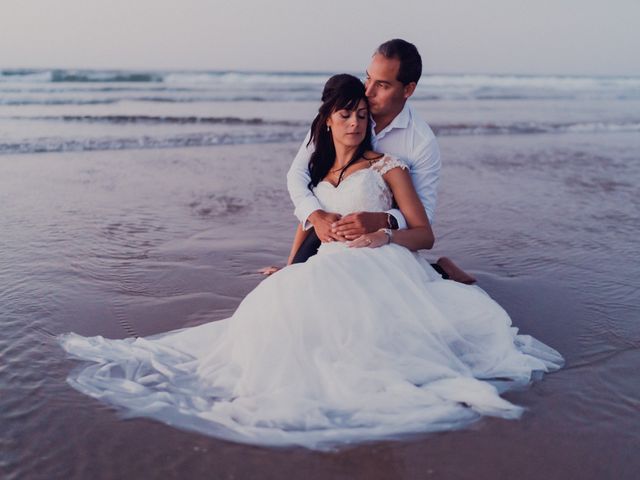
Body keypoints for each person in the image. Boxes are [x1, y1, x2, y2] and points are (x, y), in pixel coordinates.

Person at [60, 74, 562, 450]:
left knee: (360, 329)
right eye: (345, 114)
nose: (354, 122)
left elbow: (424, 232)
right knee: (278, 304)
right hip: (328, 261)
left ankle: (440, 277)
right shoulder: (317, 168)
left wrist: (383, 232)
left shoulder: (390, 166)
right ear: (327, 118)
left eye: (362, 115)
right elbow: (308, 220)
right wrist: (290, 264)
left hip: (380, 260)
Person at [284, 38, 475, 284]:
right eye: (368, 78)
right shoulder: (341, 113)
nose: (368, 91)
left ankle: (437, 272)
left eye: (382, 85)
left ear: (408, 90)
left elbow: (422, 221)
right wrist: (315, 217)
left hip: (380, 243)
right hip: (331, 238)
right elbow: (298, 176)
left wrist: (382, 221)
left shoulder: (420, 143)